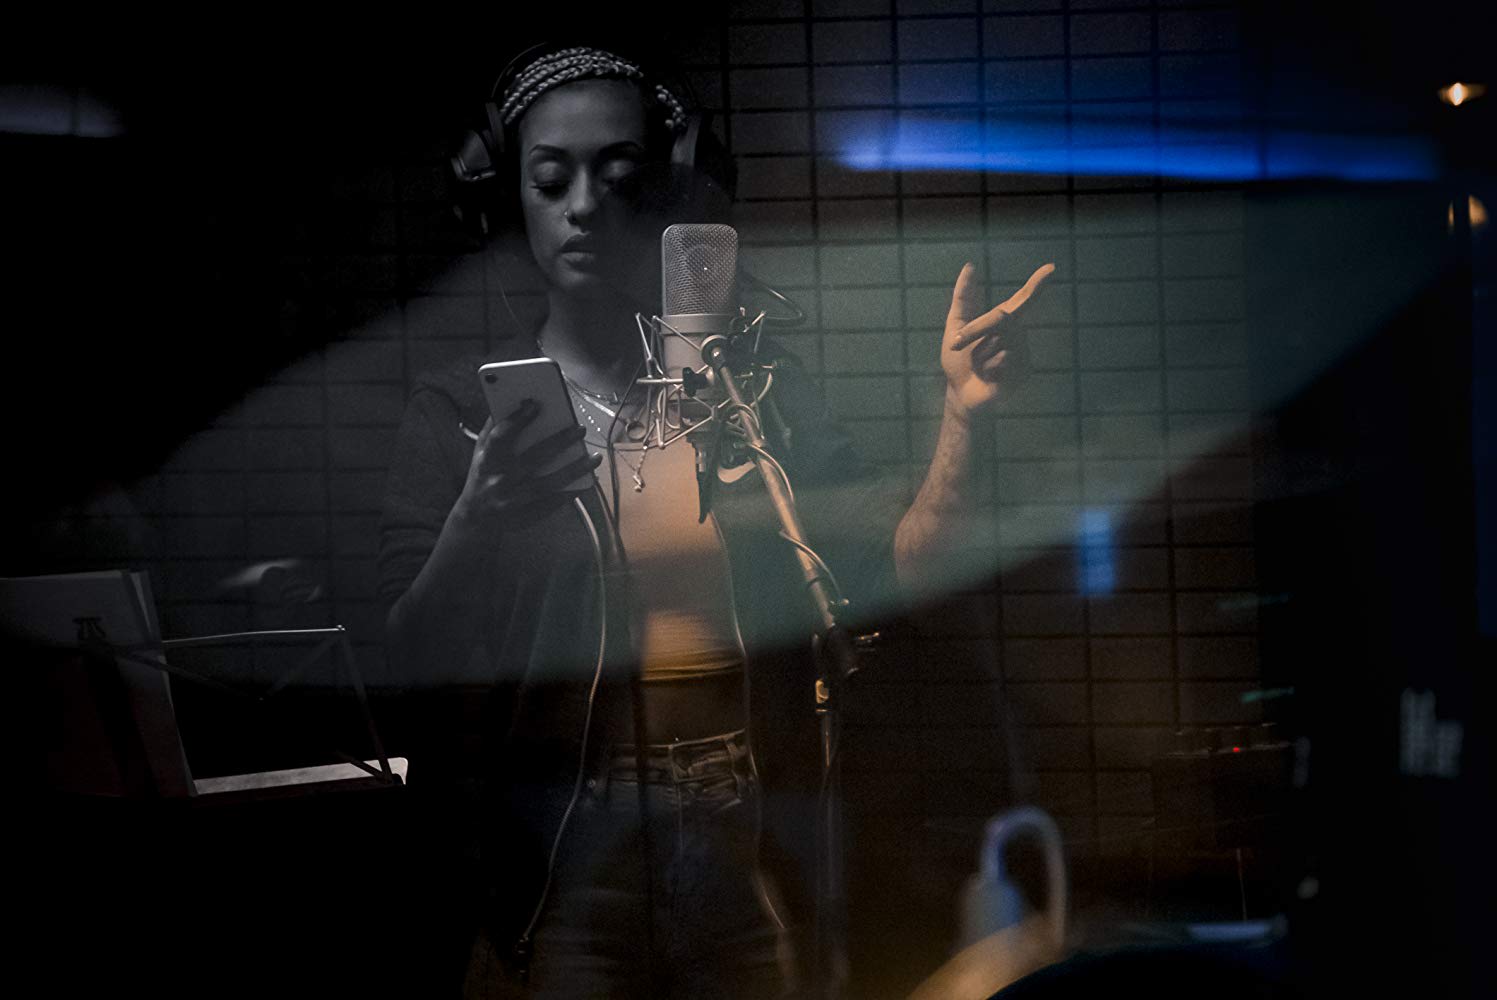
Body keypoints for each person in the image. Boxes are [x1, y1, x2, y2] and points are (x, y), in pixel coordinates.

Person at [378, 41, 1054, 1000]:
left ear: (670, 193)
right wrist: (477, 520)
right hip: (565, 848)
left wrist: (961, 420)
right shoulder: (458, 413)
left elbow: (903, 568)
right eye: (550, 179)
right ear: (505, 198)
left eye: (618, 175)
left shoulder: (752, 396)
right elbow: (407, 659)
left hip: (748, 831)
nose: (583, 205)